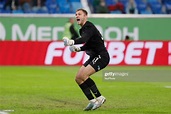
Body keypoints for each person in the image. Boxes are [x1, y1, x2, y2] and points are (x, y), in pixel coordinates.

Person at [63, 9, 110, 111]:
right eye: (76, 15)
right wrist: (79, 48)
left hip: (101, 56)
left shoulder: (89, 26)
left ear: (85, 16)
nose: (77, 16)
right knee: (78, 78)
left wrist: (72, 42)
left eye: (79, 14)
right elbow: (88, 44)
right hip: (94, 56)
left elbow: (84, 39)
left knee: (84, 75)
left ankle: (99, 97)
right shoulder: (83, 29)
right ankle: (92, 101)